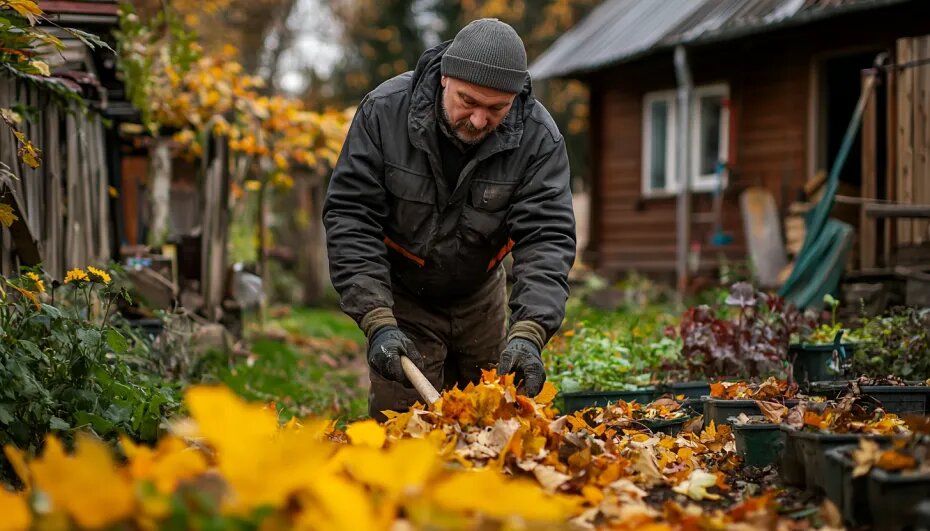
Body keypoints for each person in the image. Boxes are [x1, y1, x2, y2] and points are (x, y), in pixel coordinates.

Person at [323, 18, 576, 420]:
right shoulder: (384, 113)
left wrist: (530, 331)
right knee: (403, 432)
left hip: (481, 298)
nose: (479, 120)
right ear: (445, 78)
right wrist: (377, 320)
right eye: (468, 102)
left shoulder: (538, 138)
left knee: (492, 424)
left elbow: (547, 236)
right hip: (404, 295)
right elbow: (352, 216)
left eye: (497, 108)